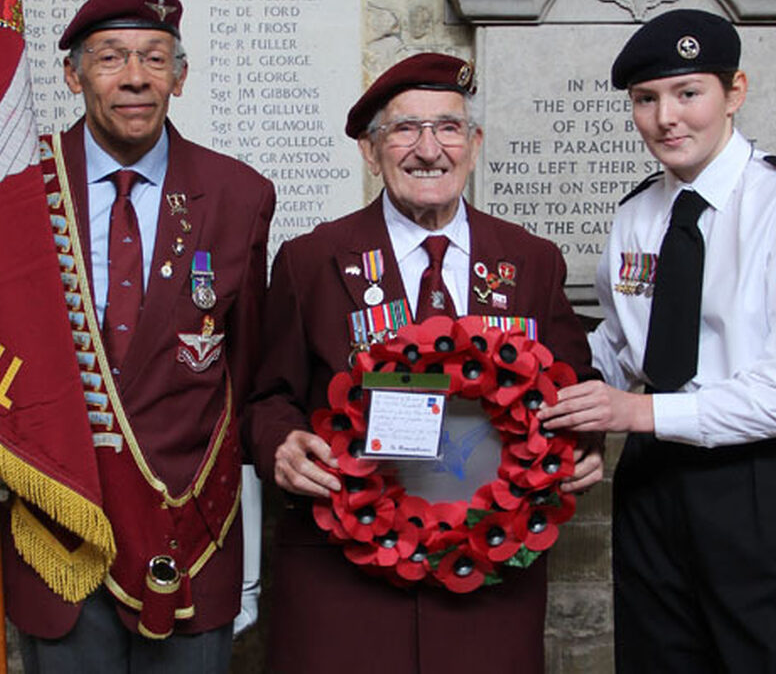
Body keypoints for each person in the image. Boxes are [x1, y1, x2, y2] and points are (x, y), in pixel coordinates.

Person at [246, 52, 603, 673]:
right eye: (405, 129)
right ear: (371, 151)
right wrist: (281, 444)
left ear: (474, 144)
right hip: (344, 586)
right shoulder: (312, 260)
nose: (429, 149)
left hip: (486, 586)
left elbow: (574, 385)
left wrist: (586, 444)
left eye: (448, 127)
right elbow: (265, 395)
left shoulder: (531, 260)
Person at [540, 9, 776, 672]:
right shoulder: (637, 214)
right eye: (645, 99)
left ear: (735, 92)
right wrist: (536, 380)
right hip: (655, 484)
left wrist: (637, 412)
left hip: (764, 483)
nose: (666, 119)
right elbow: (622, 348)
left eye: (688, 93)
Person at [0, 0, 275, 672]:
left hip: (189, 537)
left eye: (154, 58)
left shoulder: (238, 194)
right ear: (72, 75)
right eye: (111, 57)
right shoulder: (15, 189)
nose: (135, 77)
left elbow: (247, 374)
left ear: (180, 75)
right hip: (59, 534)